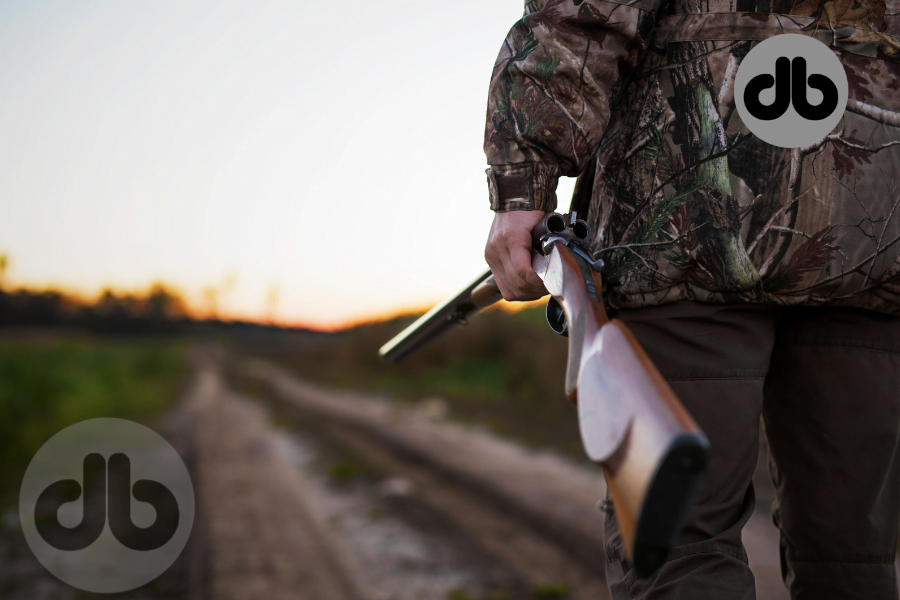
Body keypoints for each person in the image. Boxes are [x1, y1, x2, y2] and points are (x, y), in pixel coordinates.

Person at [481, 1, 900, 598]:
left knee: (680, 544)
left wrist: (522, 185)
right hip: (875, 231)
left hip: (690, 223)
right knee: (853, 559)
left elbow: (586, 11)